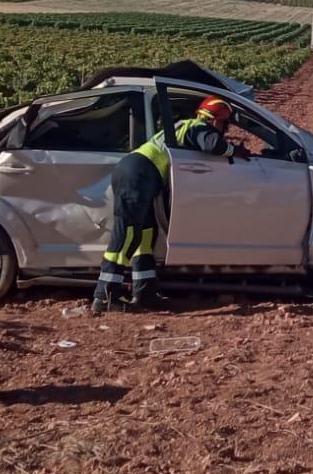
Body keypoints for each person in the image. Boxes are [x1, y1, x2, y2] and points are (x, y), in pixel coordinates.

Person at [92, 96, 236, 313]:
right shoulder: (196, 127)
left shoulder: (185, 125)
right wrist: (235, 151)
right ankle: (104, 297)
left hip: (141, 174)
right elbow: (213, 145)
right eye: (225, 124)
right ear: (215, 120)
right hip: (138, 174)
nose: (225, 129)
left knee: (146, 235)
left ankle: (144, 292)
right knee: (128, 235)